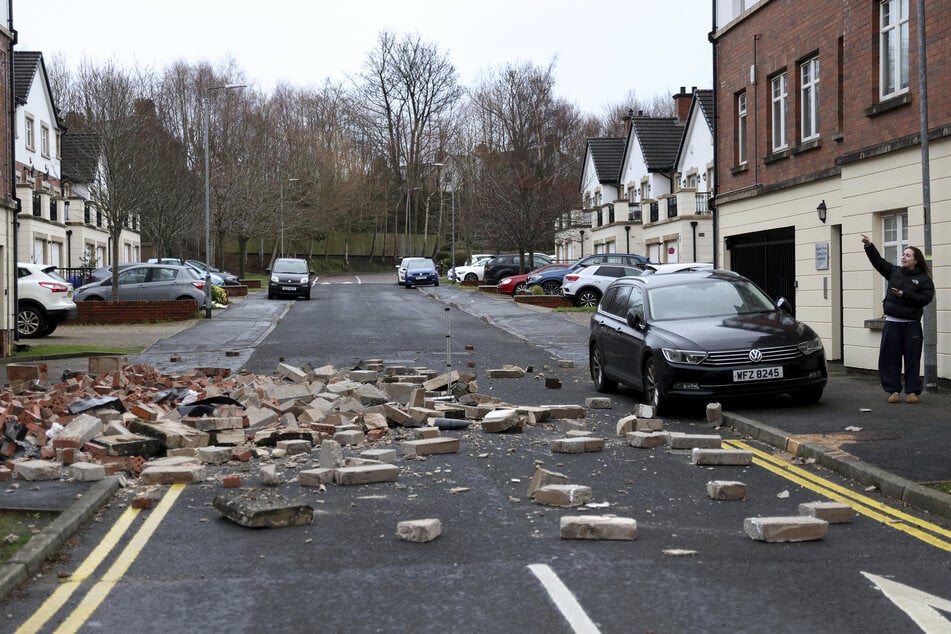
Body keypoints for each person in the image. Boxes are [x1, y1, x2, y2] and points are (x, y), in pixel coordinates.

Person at [861, 234, 935, 403]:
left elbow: (926, 299)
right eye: (903, 254)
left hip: (912, 326)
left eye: (908, 255)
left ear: (916, 260)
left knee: (912, 360)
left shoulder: (923, 279)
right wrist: (869, 246)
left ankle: (912, 392)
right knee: (890, 358)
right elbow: (878, 263)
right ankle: (893, 391)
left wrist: (905, 294)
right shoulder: (894, 271)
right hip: (892, 324)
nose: (903, 257)